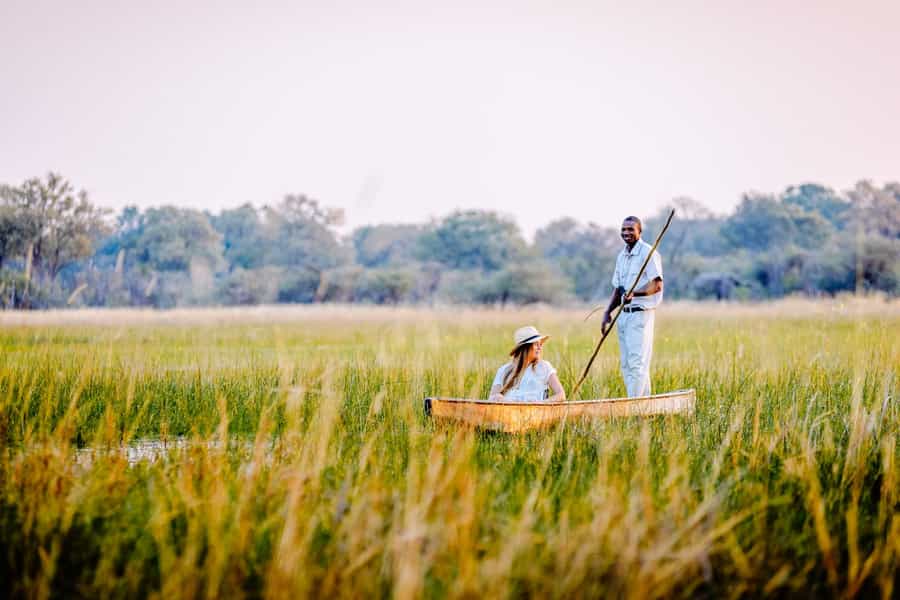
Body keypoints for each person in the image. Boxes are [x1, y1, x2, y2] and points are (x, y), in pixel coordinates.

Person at [600, 216, 663, 397]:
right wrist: (607, 312)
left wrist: (635, 293)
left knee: (637, 364)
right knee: (627, 365)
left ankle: (633, 407)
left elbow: (657, 285)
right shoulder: (622, 256)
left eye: (630, 229)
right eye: (623, 229)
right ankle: (643, 406)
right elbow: (618, 288)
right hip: (623, 315)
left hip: (640, 315)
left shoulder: (648, 253)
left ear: (639, 232)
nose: (626, 233)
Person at [489, 326, 566, 402]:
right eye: (536, 344)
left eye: (540, 344)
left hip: (536, 409)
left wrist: (541, 403)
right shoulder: (504, 370)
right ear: (525, 347)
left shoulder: (544, 367)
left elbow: (561, 395)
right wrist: (499, 398)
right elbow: (492, 398)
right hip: (509, 409)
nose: (540, 348)